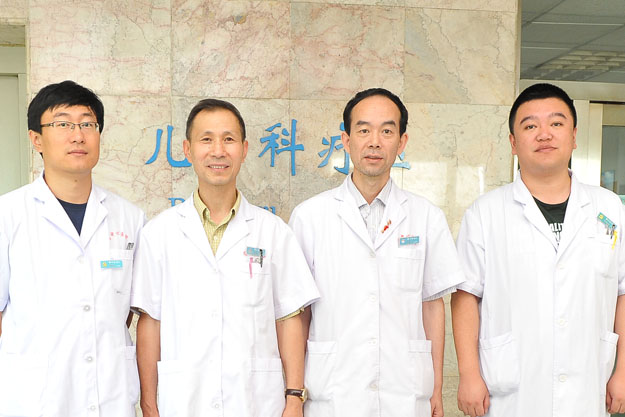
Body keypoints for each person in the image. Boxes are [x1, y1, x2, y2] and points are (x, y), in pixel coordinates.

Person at [132, 99, 319, 417]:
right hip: (184, 401)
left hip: (256, 401)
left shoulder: (273, 231)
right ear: (188, 150)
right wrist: (149, 404)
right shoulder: (159, 233)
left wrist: (293, 397)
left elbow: (288, 318)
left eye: (228, 139)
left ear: (244, 150)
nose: (218, 151)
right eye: (206, 139)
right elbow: (151, 322)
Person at [289, 88, 465, 417]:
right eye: (364, 130)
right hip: (333, 392)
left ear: (402, 142)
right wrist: (294, 394)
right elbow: (299, 313)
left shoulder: (426, 216)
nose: (374, 142)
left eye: (386, 131)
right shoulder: (310, 217)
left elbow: (432, 307)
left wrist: (436, 388)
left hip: (405, 392)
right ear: (346, 140)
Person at [452, 83, 625, 417]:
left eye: (556, 123)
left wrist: (623, 370)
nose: (544, 134)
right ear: (513, 143)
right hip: (513, 391)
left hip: (588, 384)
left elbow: (622, 291)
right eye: (531, 126)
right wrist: (469, 374)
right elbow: (465, 296)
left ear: (574, 136)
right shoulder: (486, 212)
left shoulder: (609, 209)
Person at [0, 80, 145, 417]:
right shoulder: (8, 215)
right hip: (35, 400)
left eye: (88, 124)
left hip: (110, 396)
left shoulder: (130, 218)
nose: (78, 135)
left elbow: (125, 311)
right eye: (63, 124)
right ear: (36, 138)